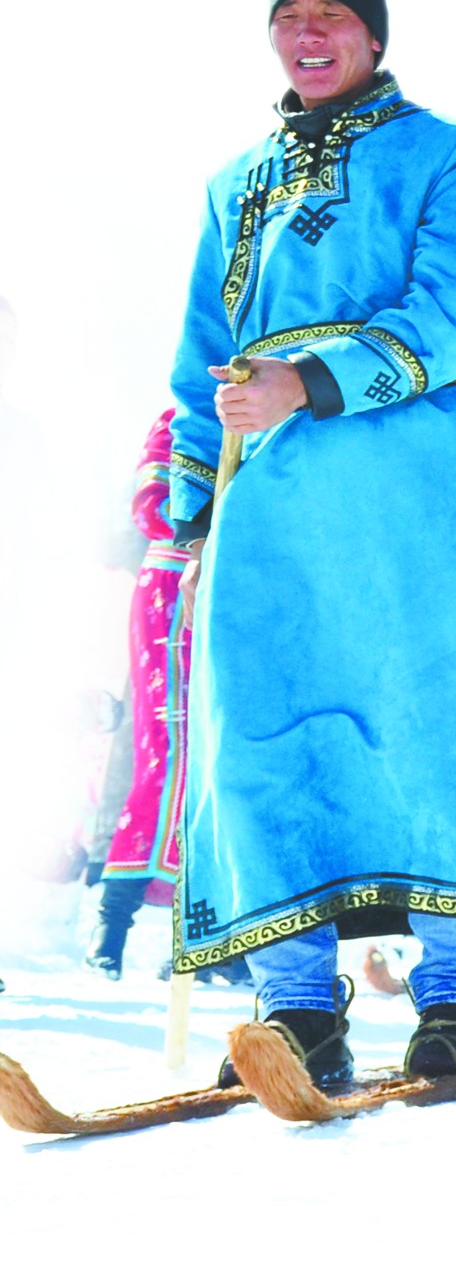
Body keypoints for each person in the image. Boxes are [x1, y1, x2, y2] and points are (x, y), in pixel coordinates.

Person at [167, 0, 456, 1088]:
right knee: (267, 737)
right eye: (289, 16)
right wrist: (192, 492)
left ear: (374, 33)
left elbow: (454, 315)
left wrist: (307, 381)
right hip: (270, 505)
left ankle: (455, 1000)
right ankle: (296, 1007)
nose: (309, 35)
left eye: (331, 16)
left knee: (434, 722)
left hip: (414, 494)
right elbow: (205, 355)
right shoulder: (233, 183)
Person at [90, 410, 195, 979]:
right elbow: (151, 505)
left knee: (220, 770)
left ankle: (205, 939)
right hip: (173, 593)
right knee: (169, 755)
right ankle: (113, 924)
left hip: (248, 593)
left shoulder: (290, 403)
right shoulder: (183, 415)